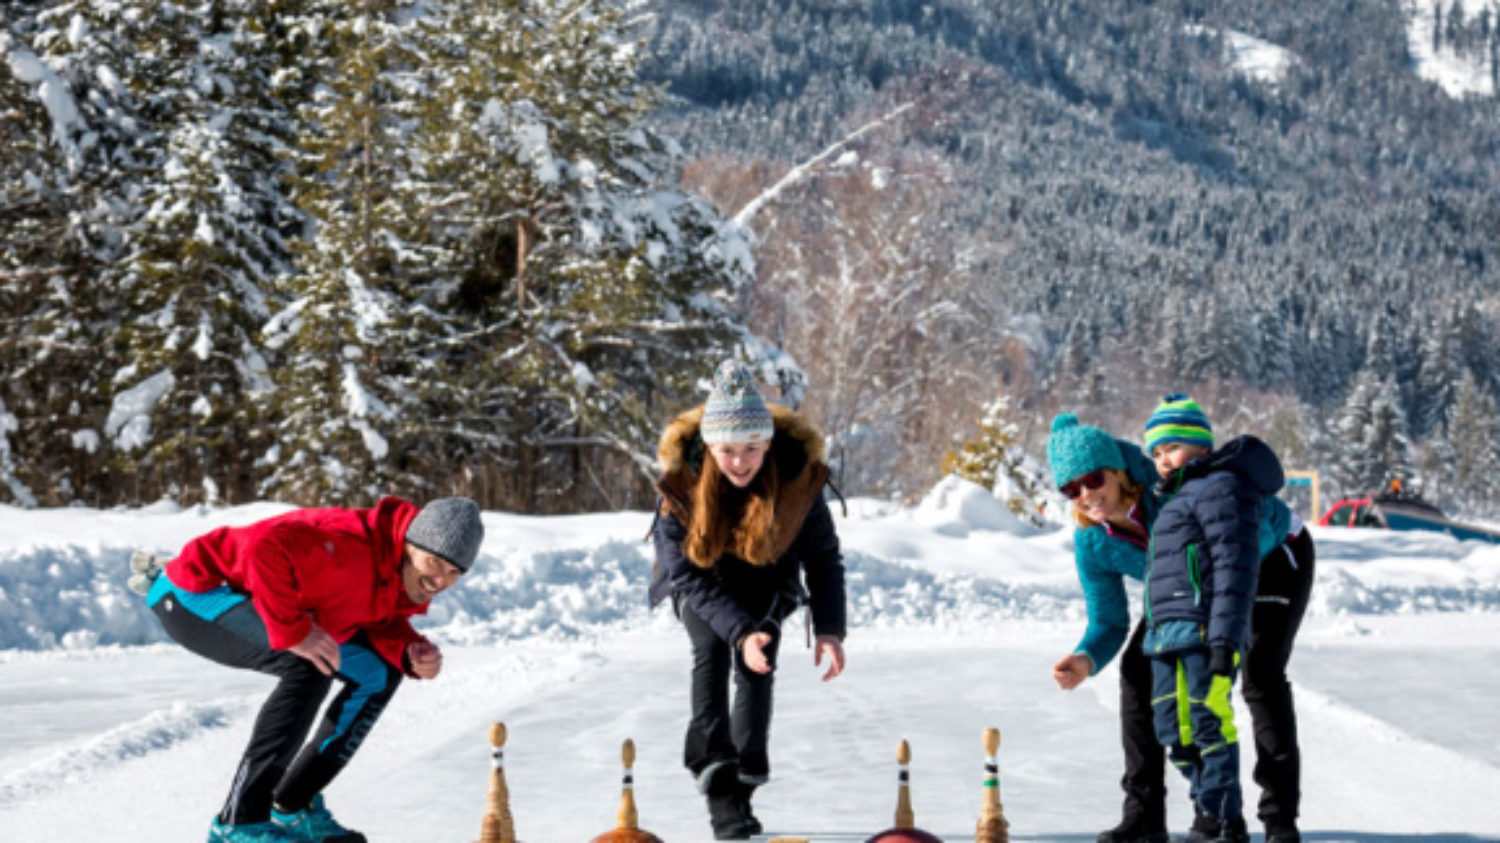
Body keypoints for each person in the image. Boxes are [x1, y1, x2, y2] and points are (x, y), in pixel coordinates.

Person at [137, 496, 484, 843]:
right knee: (308, 662)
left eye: (455, 572)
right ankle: (238, 823)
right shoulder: (349, 545)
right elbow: (264, 547)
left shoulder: (396, 566)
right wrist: (294, 633)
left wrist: (408, 650)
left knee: (377, 675)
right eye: (434, 562)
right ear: (411, 542)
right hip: (197, 592)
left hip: (258, 596)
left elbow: (369, 612)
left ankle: (291, 807)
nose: (440, 580)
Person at [1048, 398, 1314, 843]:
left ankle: (1278, 818)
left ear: (1116, 470)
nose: (1085, 495)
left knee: (1259, 677)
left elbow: (1235, 542)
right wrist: (1086, 657)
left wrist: (1216, 627)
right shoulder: (1092, 540)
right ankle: (1148, 813)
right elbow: (1110, 620)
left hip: (1267, 554)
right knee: (1139, 671)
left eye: (1093, 479)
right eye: (1071, 490)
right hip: (1184, 589)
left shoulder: (1163, 484)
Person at [650, 360, 847, 841]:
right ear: (709, 447)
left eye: (752, 450)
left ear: (769, 444)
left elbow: (823, 558)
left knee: (759, 666)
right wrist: (737, 632)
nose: (739, 462)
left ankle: (743, 783)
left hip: (768, 581)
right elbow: (684, 575)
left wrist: (829, 629)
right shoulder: (682, 487)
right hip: (704, 583)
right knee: (712, 650)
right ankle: (718, 784)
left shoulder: (797, 482)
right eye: (728, 451)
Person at [1143, 395, 1313, 843]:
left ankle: (1268, 820)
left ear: (1201, 446)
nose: (1162, 461)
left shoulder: (1221, 486)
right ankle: (1213, 808)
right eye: (1155, 453)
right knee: (1177, 722)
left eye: (1171, 448)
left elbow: (1232, 567)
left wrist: (1224, 638)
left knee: (1259, 679)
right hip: (1202, 607)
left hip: (1281, 557)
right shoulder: (1179, 496)